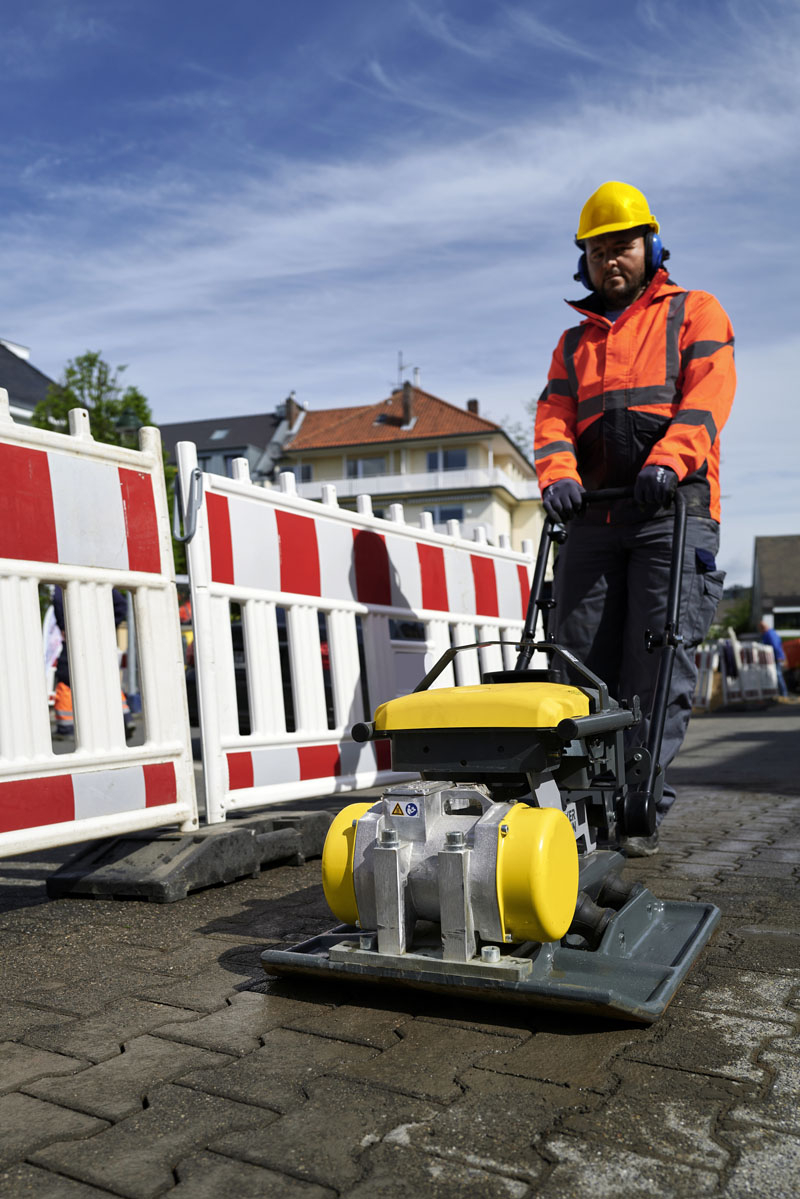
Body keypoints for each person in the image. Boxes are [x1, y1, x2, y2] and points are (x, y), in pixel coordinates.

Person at [534, 181, 735, 855]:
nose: (611, 260)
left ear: (651, 246)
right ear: (582, 262)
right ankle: (583, 805)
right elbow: (553, 421)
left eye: (623, 245)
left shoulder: (695, 313)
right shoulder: (572, 345)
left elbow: (708, 398)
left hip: (670, 511)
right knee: (578, 659)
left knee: (658, 658)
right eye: (598, 251)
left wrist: (670, 462)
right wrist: (558, 477)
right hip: (594, 518)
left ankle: (638, 804)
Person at [759, 620, 788, 697]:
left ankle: (783, 694)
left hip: (775, 657)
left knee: (778, 675)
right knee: (777, 675)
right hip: (774, 657)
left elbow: (775, 646)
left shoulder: (770, 634)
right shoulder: (769, 633)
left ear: (763, 628)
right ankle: (782, 693)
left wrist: (779, 657)